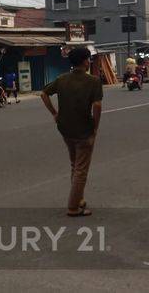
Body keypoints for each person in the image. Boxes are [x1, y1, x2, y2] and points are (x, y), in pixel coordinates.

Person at [41, 47, 103, 217]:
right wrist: (95, 127)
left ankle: (79, 199)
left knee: (75, 165)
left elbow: (44, 94)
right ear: (84, 61)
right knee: (81, 170)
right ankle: (73, 207)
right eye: (88, 59)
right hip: (84, 130)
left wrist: (55, 114)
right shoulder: (93, 81)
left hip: (66, 129)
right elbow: (97, 106)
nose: (89, 62)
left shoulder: (62, 79)